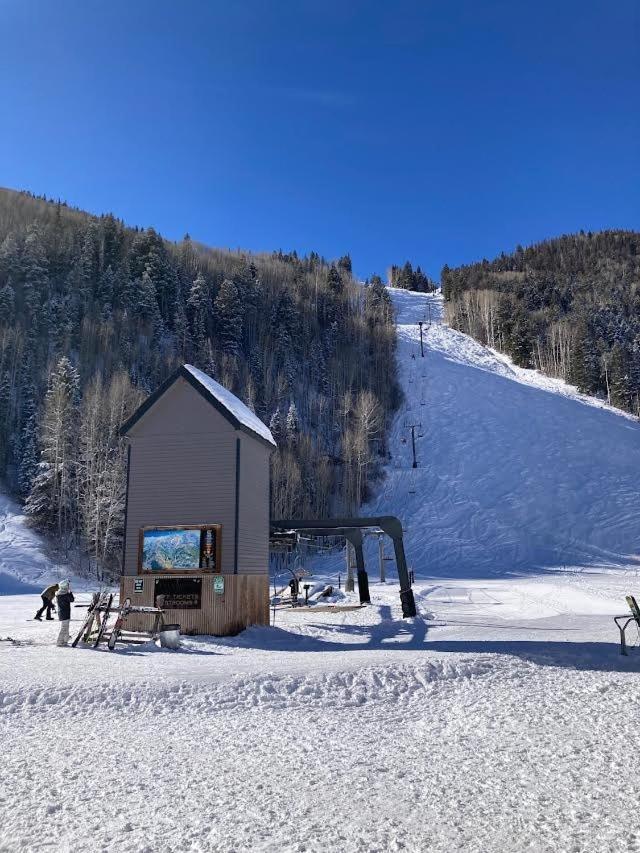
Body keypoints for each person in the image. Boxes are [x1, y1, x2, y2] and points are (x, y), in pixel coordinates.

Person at [55, 580, 75, 647]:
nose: (68, 587)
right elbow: (72, 599)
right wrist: (70, 593)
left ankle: (65, 640)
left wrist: (69, 593)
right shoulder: (65, 594)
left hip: (63, 613)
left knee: (66, 627)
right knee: (64, 627)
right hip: (65, 613)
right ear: (65, 587)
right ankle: (59, 641)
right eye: (67, 585)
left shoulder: (60, 593)